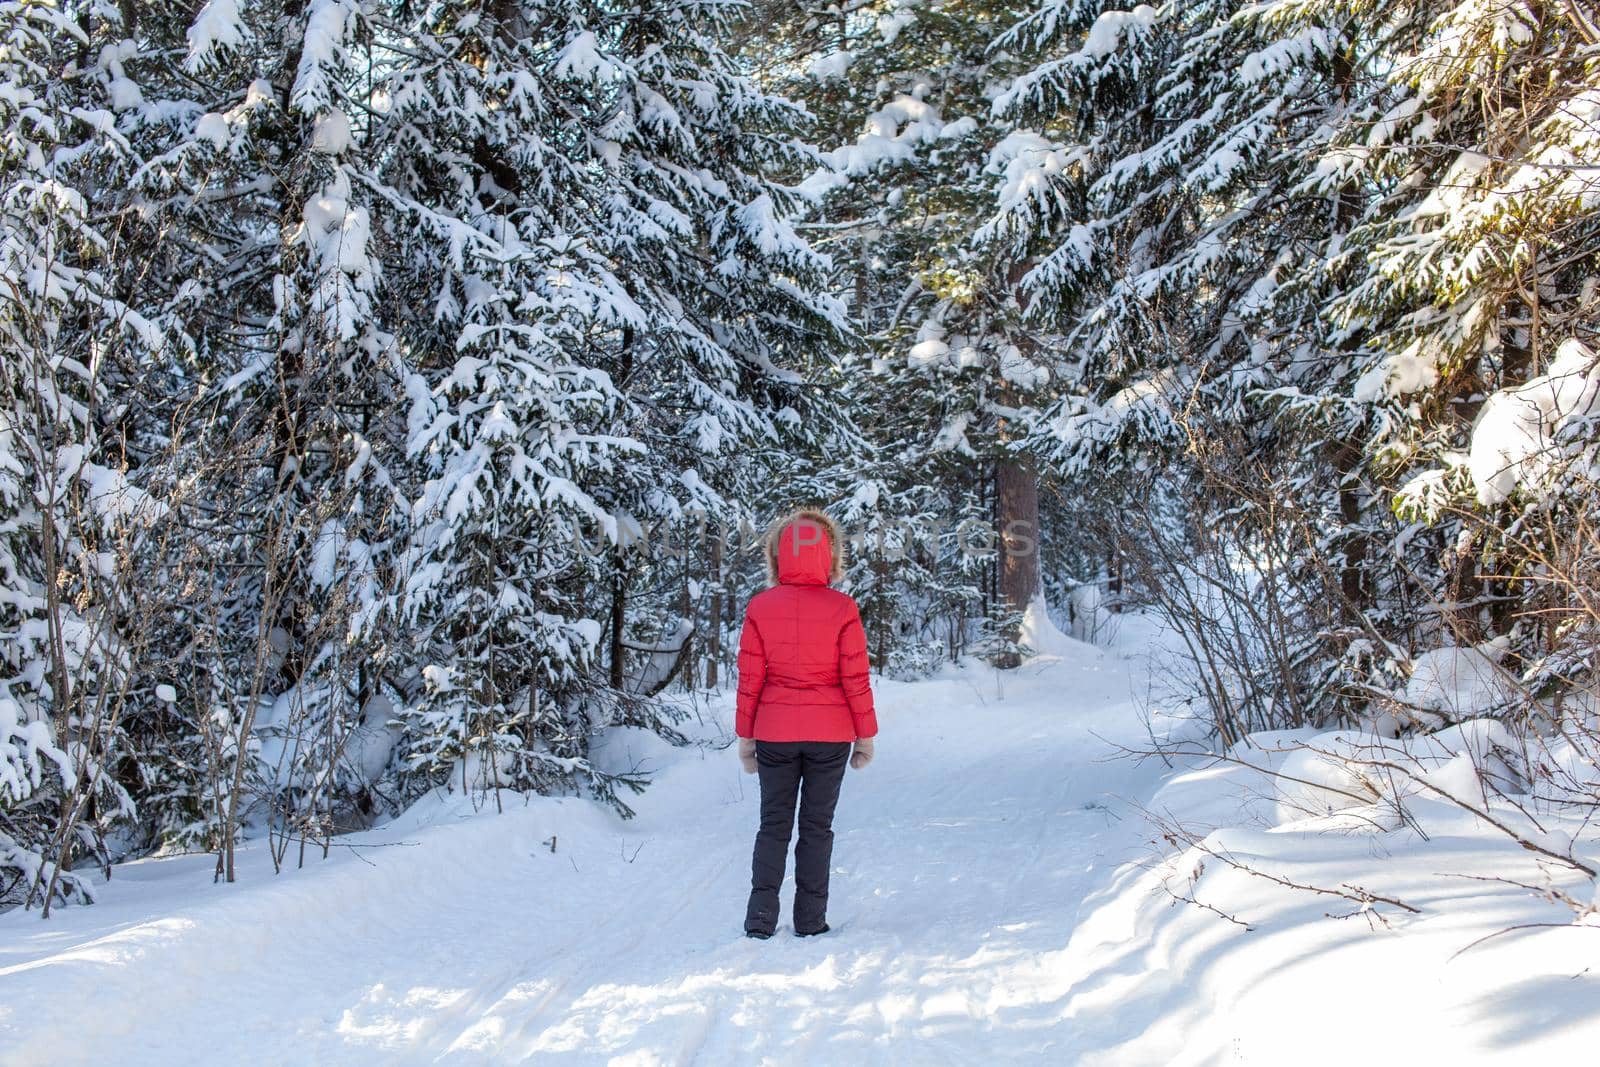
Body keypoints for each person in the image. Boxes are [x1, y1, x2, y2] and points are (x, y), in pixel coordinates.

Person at [734, 509, 878, 939]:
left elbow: (750, 680)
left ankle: (760, 919)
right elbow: (855, 676)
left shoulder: (760, 607)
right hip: (830, 736)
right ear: (830, 556)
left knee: (773, 824)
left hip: (774, 732)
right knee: (817, 826)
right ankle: (810, 920)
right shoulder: (843, 608)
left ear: (777, 557)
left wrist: (746, 736)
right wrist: (865, 734)